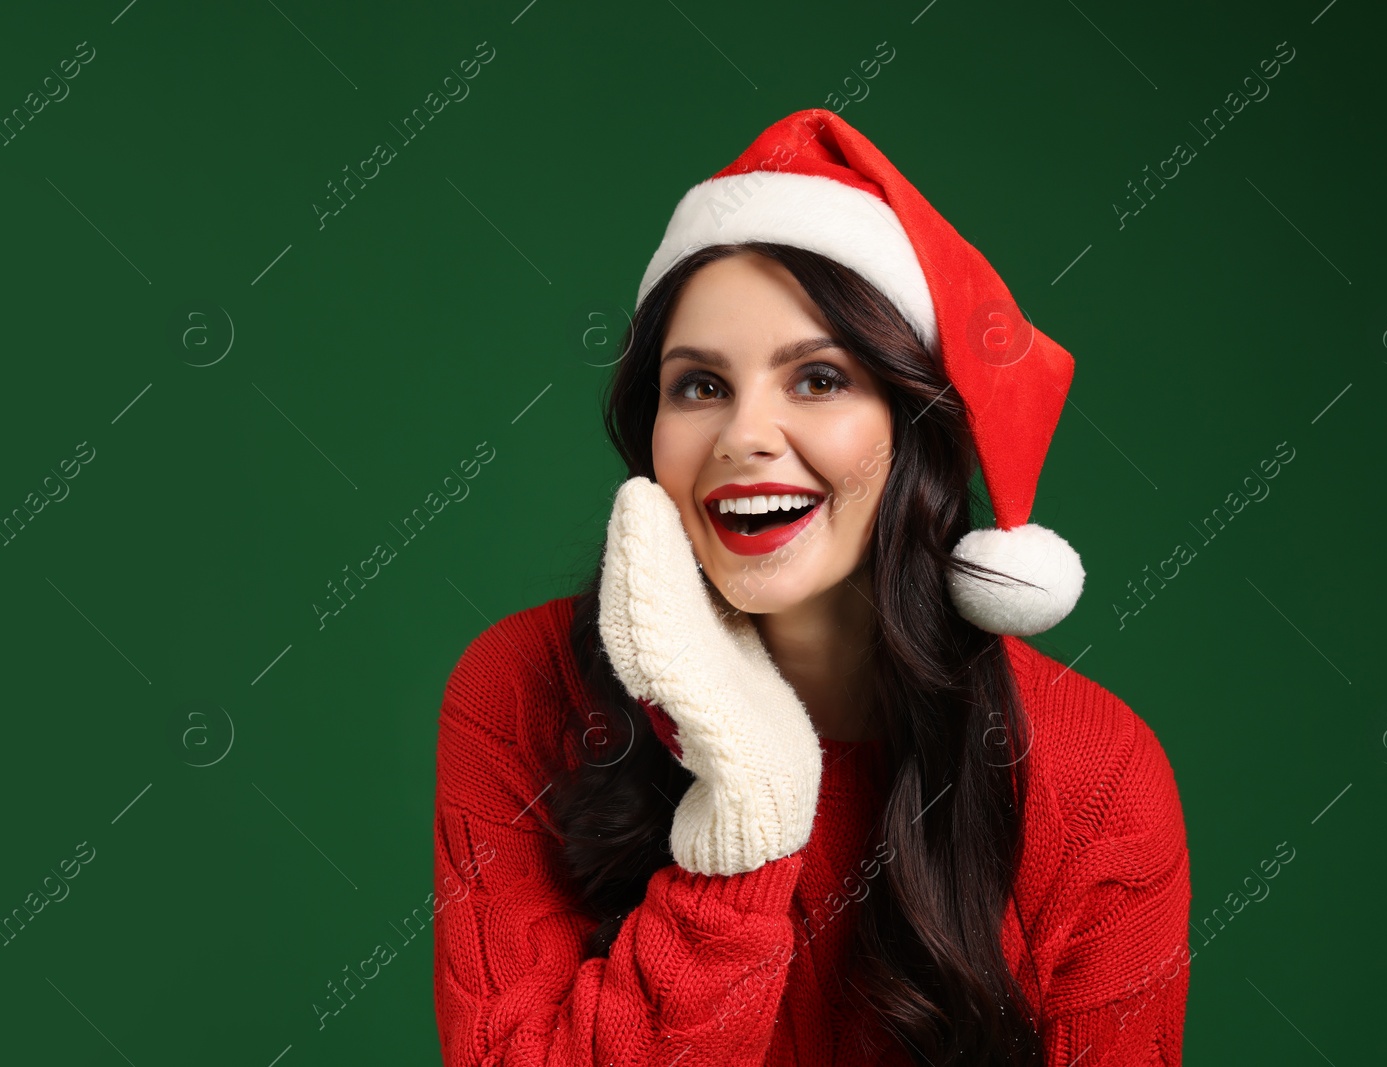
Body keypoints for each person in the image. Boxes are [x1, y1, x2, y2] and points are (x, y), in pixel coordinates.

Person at [433, 109, 1191, 1065]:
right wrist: (749, 802)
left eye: (819, 378)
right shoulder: (521, 692)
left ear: (910, 430)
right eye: (699, 385)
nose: (744, 434)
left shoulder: (1093, 776)